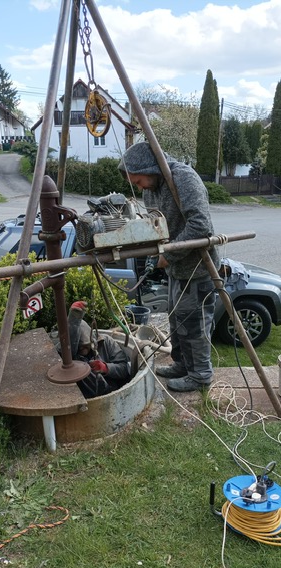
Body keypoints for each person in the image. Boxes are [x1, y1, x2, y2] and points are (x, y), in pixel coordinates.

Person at [118, 141, 220, 392]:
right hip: (176, 269)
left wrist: (169, 255)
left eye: (139, 181)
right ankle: (182, 365)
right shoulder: (151, 187)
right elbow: (155, 225)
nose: (139, 187)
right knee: (177, 320)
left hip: (198, 268)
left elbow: (200, 226)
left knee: (194, 324)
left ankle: (200, 375)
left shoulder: (183, 179)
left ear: (151, 168)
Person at [67, 301, 131, 399]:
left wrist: (106, 368)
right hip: (83, 398)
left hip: (113, 393)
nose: (82, 349)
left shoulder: (106, 342)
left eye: (85, 345)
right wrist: (73, 318)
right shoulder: (68, 351)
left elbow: (125, 369)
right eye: (79, 346)